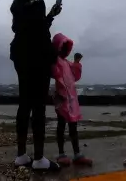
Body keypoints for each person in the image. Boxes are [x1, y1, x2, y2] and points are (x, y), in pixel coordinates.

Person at [9, 0, 62, 171]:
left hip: (20, 57)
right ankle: (39, 159)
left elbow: (25, 28)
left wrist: (50, 15)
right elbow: (41, 33)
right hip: (37, 60)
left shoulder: (17, 6)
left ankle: (21, 155)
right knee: (38, 107)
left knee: (24, 104)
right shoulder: (38, 5)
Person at [51, 34, 92, 167]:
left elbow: (75, 76)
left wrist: (76, 62)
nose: (64, 50)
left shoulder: (67, 63)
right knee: (61, 125)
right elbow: (54, 72)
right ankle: (61, 154)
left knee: (73, 126)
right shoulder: (55, 61)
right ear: (57, 47)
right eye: (62, 47)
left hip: (71, 99)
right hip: (61, 98)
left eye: (66, 48)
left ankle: (77, 154)